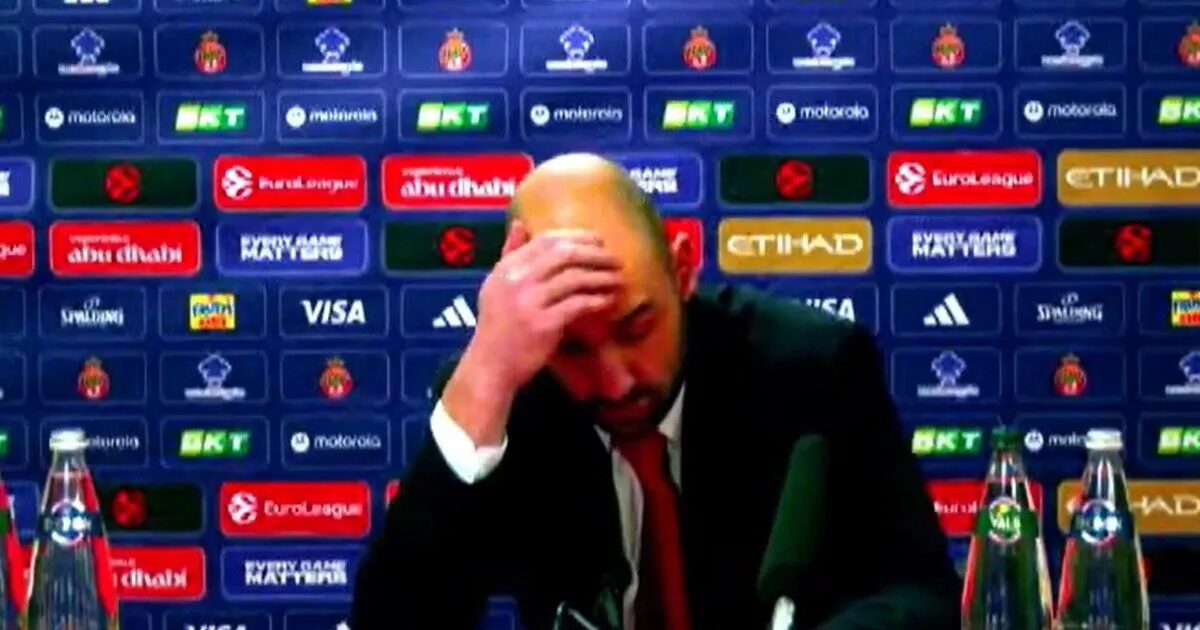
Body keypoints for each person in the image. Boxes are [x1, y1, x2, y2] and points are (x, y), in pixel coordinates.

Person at [351, 153, 960, 630]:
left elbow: (918, 596)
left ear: (683, 270)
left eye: (636, 327)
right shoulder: (513, 397)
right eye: (572, 348)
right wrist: (482, 381)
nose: (615, 380)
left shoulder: (808, 367)